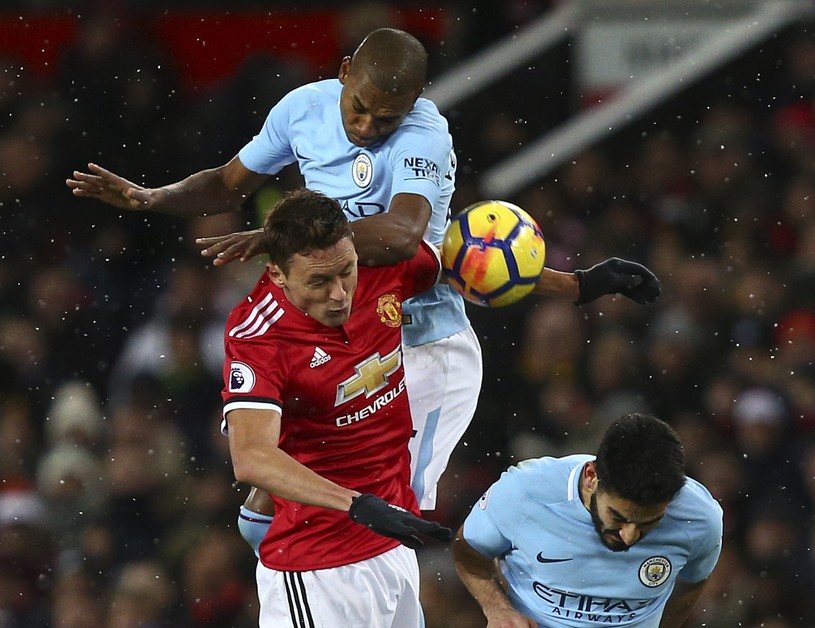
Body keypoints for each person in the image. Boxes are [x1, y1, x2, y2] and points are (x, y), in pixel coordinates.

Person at [66, 28, 661, 548]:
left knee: (382, 519)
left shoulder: (425, 134)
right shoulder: (302, 110)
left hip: (420, 349)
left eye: (387, 117)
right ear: (344, 71)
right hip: (337, 341)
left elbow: (412, 240)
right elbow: (227, 185)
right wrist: (153, 197)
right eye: (361, 109)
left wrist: (292, 238)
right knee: (263, 508)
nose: (368, 126)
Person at [222, 187, 452, 626]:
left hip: (394, 544)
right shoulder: (257, 336)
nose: (339, 294)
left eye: (346, 272)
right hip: (317, 568)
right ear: (277, 274)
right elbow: (250, 457)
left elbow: (475, 267)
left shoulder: (383, 269)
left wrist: (578, 283)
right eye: (318, 282)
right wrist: (357, 505)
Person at [453, 413, 723, 628]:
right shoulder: (524, 493)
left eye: (649, 522)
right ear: (592, 477)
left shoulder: (700, 521)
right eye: (618, 517)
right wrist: (498, 609)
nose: (629, 536)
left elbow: (694, 581)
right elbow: (467, 551)